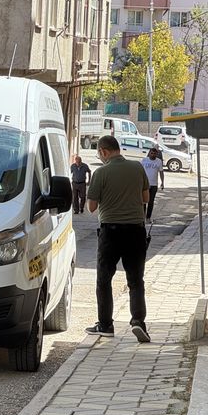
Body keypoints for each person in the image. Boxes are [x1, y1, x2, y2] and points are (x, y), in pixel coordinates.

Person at [84, 136, 151, 343]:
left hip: (110, 233)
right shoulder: (137, 168)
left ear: (104, 152)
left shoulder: (101, 172)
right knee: (135, 280)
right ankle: (138, 321)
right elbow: (145, 198)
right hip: (136, 231)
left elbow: (92, 207)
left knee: (104, 280)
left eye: (99, 153)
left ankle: (105, 325)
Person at [141, 148, 165, 221]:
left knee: (151, 201)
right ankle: (142, 217)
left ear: (157, 154)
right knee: (144, 201)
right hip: (145, 184)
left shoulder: (159, 161)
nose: (153, 155)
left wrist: (162, 183)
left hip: (154, 184)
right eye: (152, 153)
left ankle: (148, 217)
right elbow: (140, 171)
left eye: (155, 153)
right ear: (149, 153)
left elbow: (161, 172)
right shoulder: (144, 160)